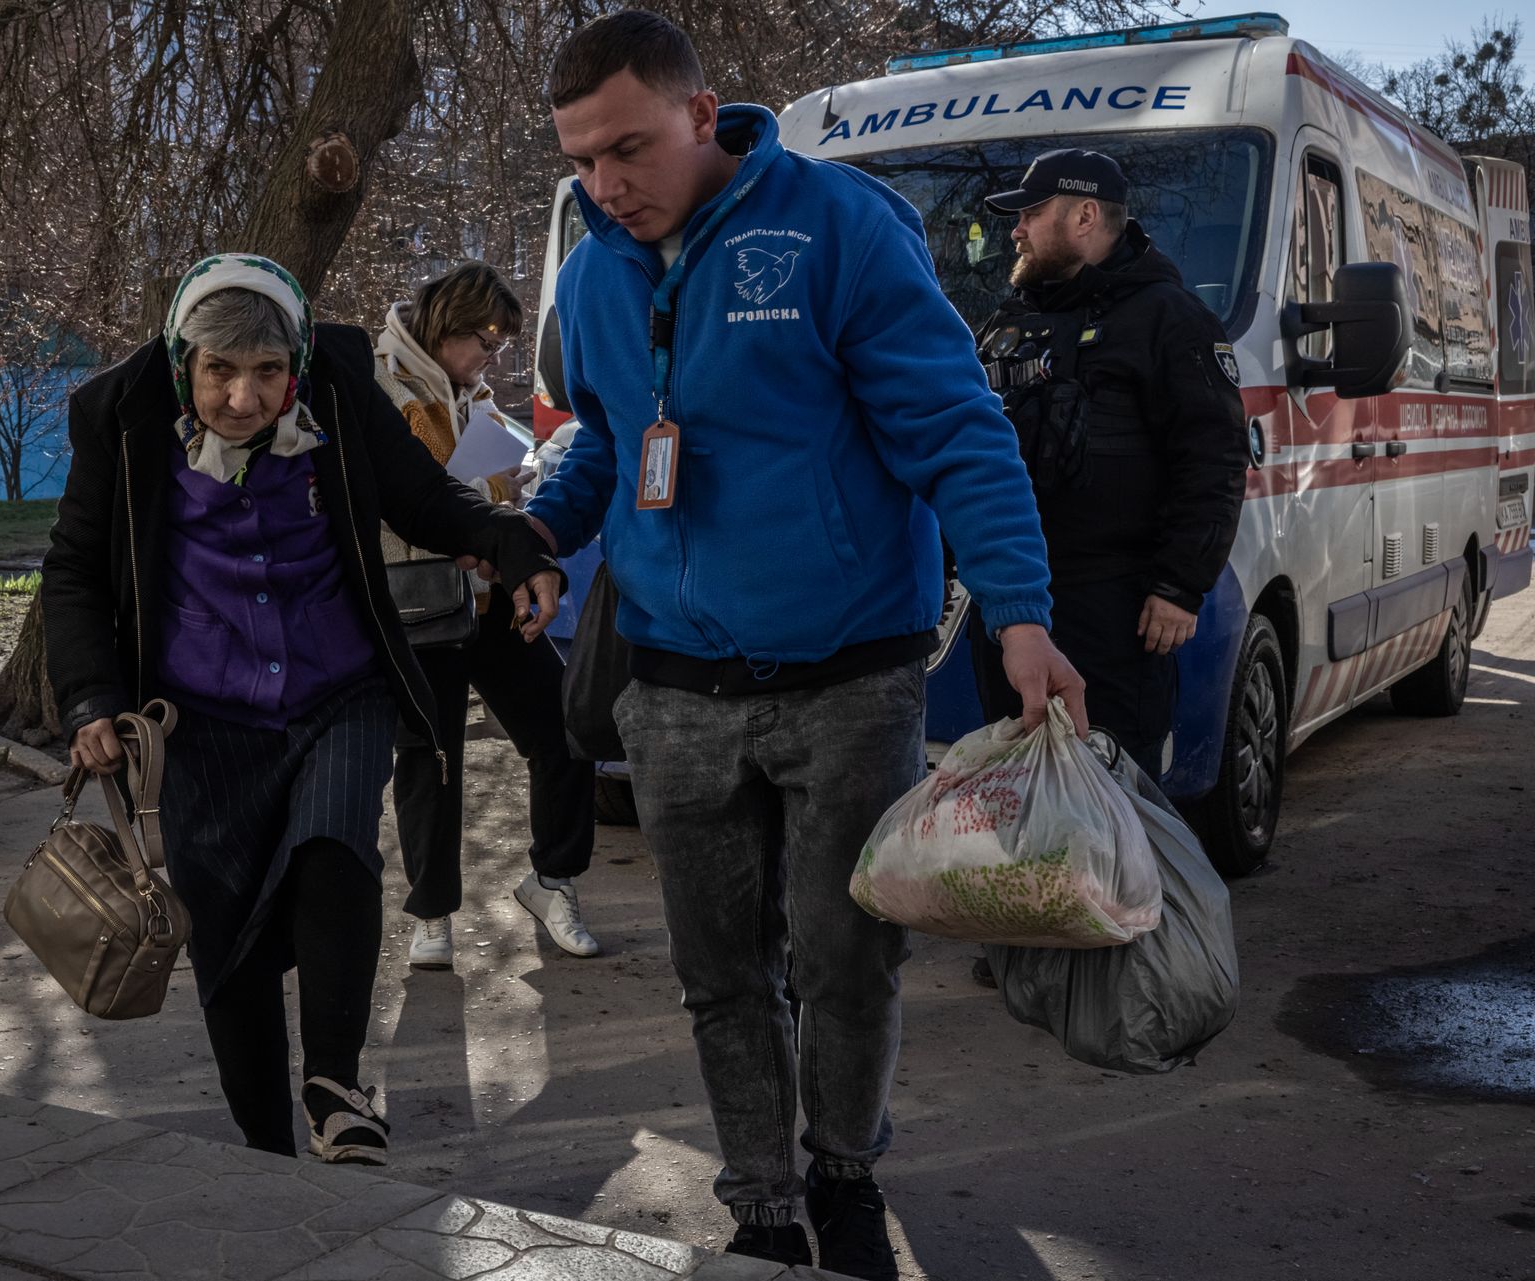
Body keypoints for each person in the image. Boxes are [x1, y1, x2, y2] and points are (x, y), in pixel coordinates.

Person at [524, 13, 1088, 1277]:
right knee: (720, 974)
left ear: (700, 111)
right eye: (580, 163)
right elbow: (613, 446)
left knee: (847, 958)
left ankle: (842, 1168)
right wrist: (532, 536)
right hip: (671, 688)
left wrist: (1021, 612)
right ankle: (763, 1200)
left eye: (627, 150)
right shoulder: (594, 273)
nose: (606, 187)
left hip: (849, 680)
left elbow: (955, 428)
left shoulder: (837, 227)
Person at [41, 254, 562, 1166]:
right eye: (220, 373)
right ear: (183, 360)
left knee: (336, 850)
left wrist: (506, 544)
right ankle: (259, 1142)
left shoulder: (340, 388)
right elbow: (76, 569)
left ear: (296, 364)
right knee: (227, 935)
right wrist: (90, 694)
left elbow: (421, 494)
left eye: (267, 374)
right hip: (198, 717)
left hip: (337, 688)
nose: (244, 399)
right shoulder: (118, 417)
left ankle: (335, 1084)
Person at [968, 149, 1248, 783]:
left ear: (1085, 215)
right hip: (1015, 610)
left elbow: (1215, 458)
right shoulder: (1012, 320)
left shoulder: (1168, 319)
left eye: (1031, 213)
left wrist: (1179, 584)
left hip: (1116, 615)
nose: (1015, 230)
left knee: (1110, 802)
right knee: (1016, 798)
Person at [374, 262, 598, 970]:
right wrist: (485, 489)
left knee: (566, 726)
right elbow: (400, 498)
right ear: (447, 327)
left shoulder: (471, 394)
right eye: (487, 342)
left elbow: (474, 482)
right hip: (418, 601)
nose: (492, 359)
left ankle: (552, 880)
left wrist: (505, 484)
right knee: (430, 758)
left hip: (490, 596)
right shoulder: (379, 385)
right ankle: (432, 913)